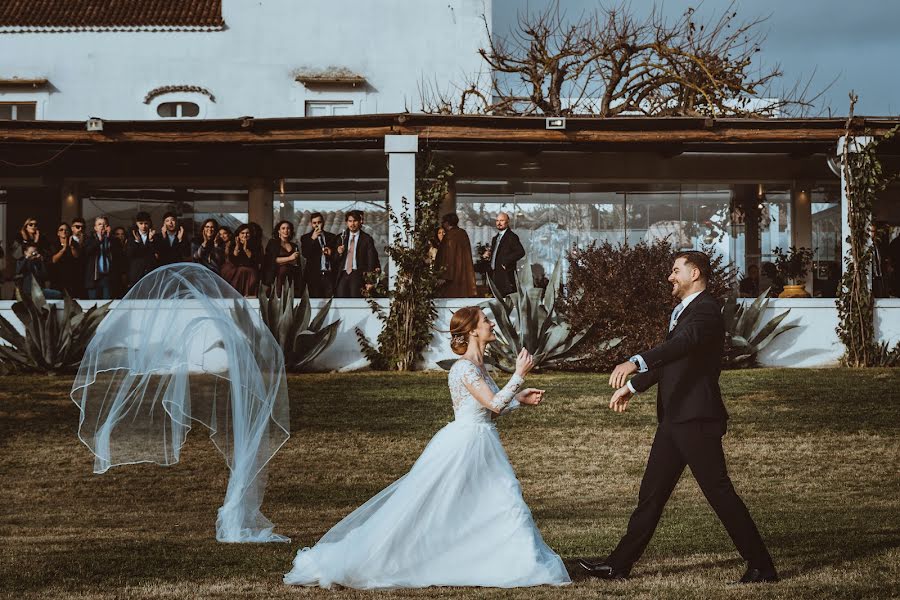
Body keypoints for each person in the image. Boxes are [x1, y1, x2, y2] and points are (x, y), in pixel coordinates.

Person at [284, 306, 570, 589]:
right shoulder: (464, 368)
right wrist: (519, 374)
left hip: (482, 443)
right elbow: (493, 403)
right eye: (486, 321)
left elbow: (490, 410)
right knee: (435, 507)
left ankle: (519, 563)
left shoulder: (481, 367)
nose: (492, 325)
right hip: (465, 445)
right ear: (472, 330)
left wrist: (519, 398)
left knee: (502, 501)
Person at [580, 251, 777, 585]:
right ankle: (618, 565)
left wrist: (635, 360)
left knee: (719, 493)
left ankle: (762, 566)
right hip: (675, 420)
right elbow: (675, 361)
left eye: (675, 271)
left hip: (696, 419)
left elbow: (682, 345)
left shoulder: (706, 311)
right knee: (651, 495)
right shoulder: (685, 311)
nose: (670, 277)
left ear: (695, 272)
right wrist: (633, 386)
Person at [334, 210, 379, 298]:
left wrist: (369, 281)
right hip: (342, 274)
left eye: (355, 221)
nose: (352, 224)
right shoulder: (340, 238)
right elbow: (334, 260)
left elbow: (371, 260)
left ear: (359, 222)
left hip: (357, 274)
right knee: (340, 301)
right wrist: (338, 253)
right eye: (350, 221)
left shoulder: (366, 239)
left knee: (356, 300)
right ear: (346, 222)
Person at [435, 213, 477, 298]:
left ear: (447, 223)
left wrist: (443, 275)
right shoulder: (462, 233)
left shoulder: (449, 237)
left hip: (451, 278)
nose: (442, 224)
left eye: (443, 222)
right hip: (463, 275)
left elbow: (448, 258)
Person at [484, 212, 525, 297]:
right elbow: (498, 254)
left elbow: (520, 252)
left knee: (506, 302)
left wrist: (505, 262)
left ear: (507, 222)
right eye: (497, 220)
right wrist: (489, 255)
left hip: (506, 276)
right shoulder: (495, 238)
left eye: (502, 220)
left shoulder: (511, 237)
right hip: (494, 275)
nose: (499, 223)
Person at [300, 212, 339, 298]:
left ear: (323, 222)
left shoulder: (332, 237)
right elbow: (305, 254)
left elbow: (337, 257)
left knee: (330, 301)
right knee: (315, 302)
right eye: (314, 223)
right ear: (311, 224)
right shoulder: (305, 238)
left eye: (319, 222)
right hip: (314, 276)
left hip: (329, 274)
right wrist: (312, 239)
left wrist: (331, 253)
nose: (317, 225)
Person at [82, 215, 121, 300]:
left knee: (107, 304)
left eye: (104, 224)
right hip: (94, 277)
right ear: (95, 228)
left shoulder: (114, 240)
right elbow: (87, 252)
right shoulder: (89, 239)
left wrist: (109, 237)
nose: (102, 227)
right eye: (99, 224)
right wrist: (99, 240)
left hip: (108, 277)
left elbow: (118, 255)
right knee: (93, 306)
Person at [263, 220, 302, 295]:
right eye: (283, 228)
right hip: (276, 277)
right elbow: (272, 260)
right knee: (283, 269)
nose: (286, 230)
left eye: (288, 228)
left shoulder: (294, 246)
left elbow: (296, 263)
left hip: (292, 277)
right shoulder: (273, 243)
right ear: (279, 231)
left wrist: (283, 261)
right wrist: (289, 258)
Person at [11, 217, 48, 289]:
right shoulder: (19, 237)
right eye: (31, 224)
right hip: (24, 269)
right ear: (26, 226)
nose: (33, 226)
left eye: (35, 225)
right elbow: (16, 254)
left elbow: (45, 252)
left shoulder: (42, 238)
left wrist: (37, 242)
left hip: (37, 268)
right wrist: (27, 242)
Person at [125, 211, 159, 288]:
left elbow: (156, 256)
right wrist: (137, 242)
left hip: (151, 273)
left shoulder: (155, 237)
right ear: (136, 223)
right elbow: (129, 255)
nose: (143, 226)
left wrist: (151, 240)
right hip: (136, 274)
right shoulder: (131, 237)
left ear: (149, 223)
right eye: (141, 223)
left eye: (146, 223)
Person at [226, 224, 260, 297]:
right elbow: (234, 261)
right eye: (242, 233)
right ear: (238, 234)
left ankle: (249, 295)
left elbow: (255, 261)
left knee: (250, 272)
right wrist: (237, 247)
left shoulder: (256, 244)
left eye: (247, 233)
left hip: (251, 269)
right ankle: (236, 295)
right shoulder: (233, 244)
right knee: (241, 270)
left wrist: (245, 249)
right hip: (235, 269)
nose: (245, 235)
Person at [47, 222, 81, 296]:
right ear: (58, 233)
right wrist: (64, 248)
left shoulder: (74, 244)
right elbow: (53, 260)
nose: (64, 231)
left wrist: (71, 246)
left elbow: (76, 256)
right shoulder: (53, 245)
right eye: (61, 230)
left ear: (69, 232)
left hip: (71, 279)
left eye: (66, 230)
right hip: (57, 279)